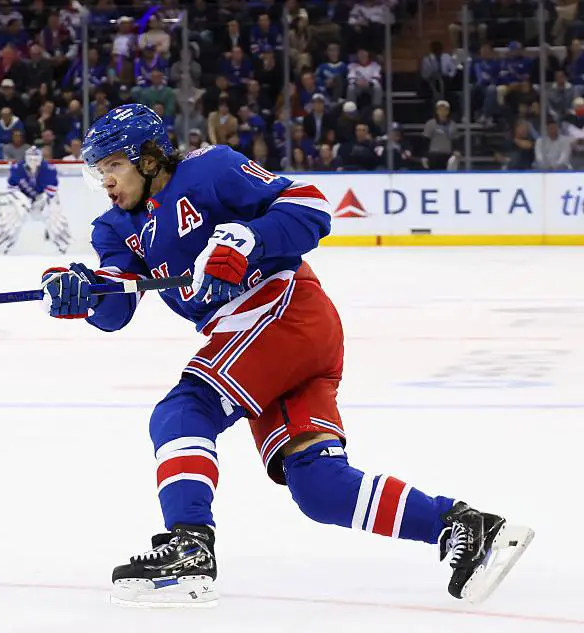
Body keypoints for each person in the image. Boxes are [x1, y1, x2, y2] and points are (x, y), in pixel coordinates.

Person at [40, 103, 533, 607]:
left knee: (185, 411)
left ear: (148, 158)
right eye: (98, 172)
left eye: (114, 166)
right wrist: (82, 293)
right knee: (319, 488)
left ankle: (190, 545)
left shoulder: (210, 170)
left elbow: (312, 205)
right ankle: (466, 527)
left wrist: (250, 240)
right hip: (271, 340)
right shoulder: (114, 228)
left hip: (283, 310)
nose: (106, 181)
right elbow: (117, 303)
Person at [0, 146, 67, 254]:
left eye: (35, 159)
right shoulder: (17, 168)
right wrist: (22, 199)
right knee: (13, 214)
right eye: (30, 159)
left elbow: (53, 188)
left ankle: (62, 244)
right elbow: (11, 188)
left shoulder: (49, 169)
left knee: (54, 213)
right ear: (26, 158)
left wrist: (43, 198)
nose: (33, 161)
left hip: (42, 201)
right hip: (23, 201)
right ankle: (5, 244)